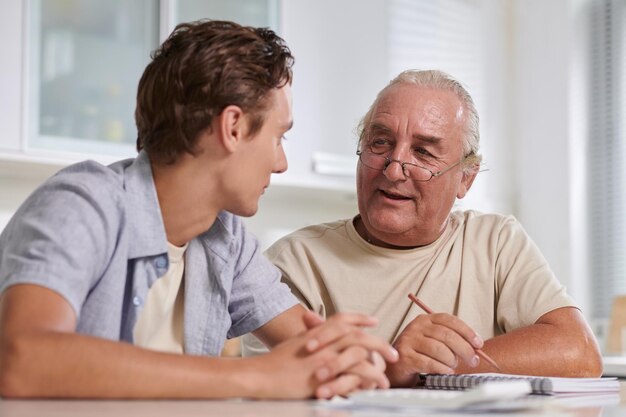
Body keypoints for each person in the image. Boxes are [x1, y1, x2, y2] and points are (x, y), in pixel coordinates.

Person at [0, 20, 399, 399]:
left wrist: (374, 360)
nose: (281, 163)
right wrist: (256, 377)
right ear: (233, 128)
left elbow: (313, 352)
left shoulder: (225, 239)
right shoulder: (82, 206)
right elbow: (21, 359)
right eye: (279, 137)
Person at [242, 69, 602, 386]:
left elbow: (580, 352)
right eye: (380, 143)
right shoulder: (293, 263)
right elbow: (276, 396)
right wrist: (391, 367)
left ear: (465, 179)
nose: (394, 168)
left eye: (424, 153)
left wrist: (449, 364)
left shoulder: (495, 242)